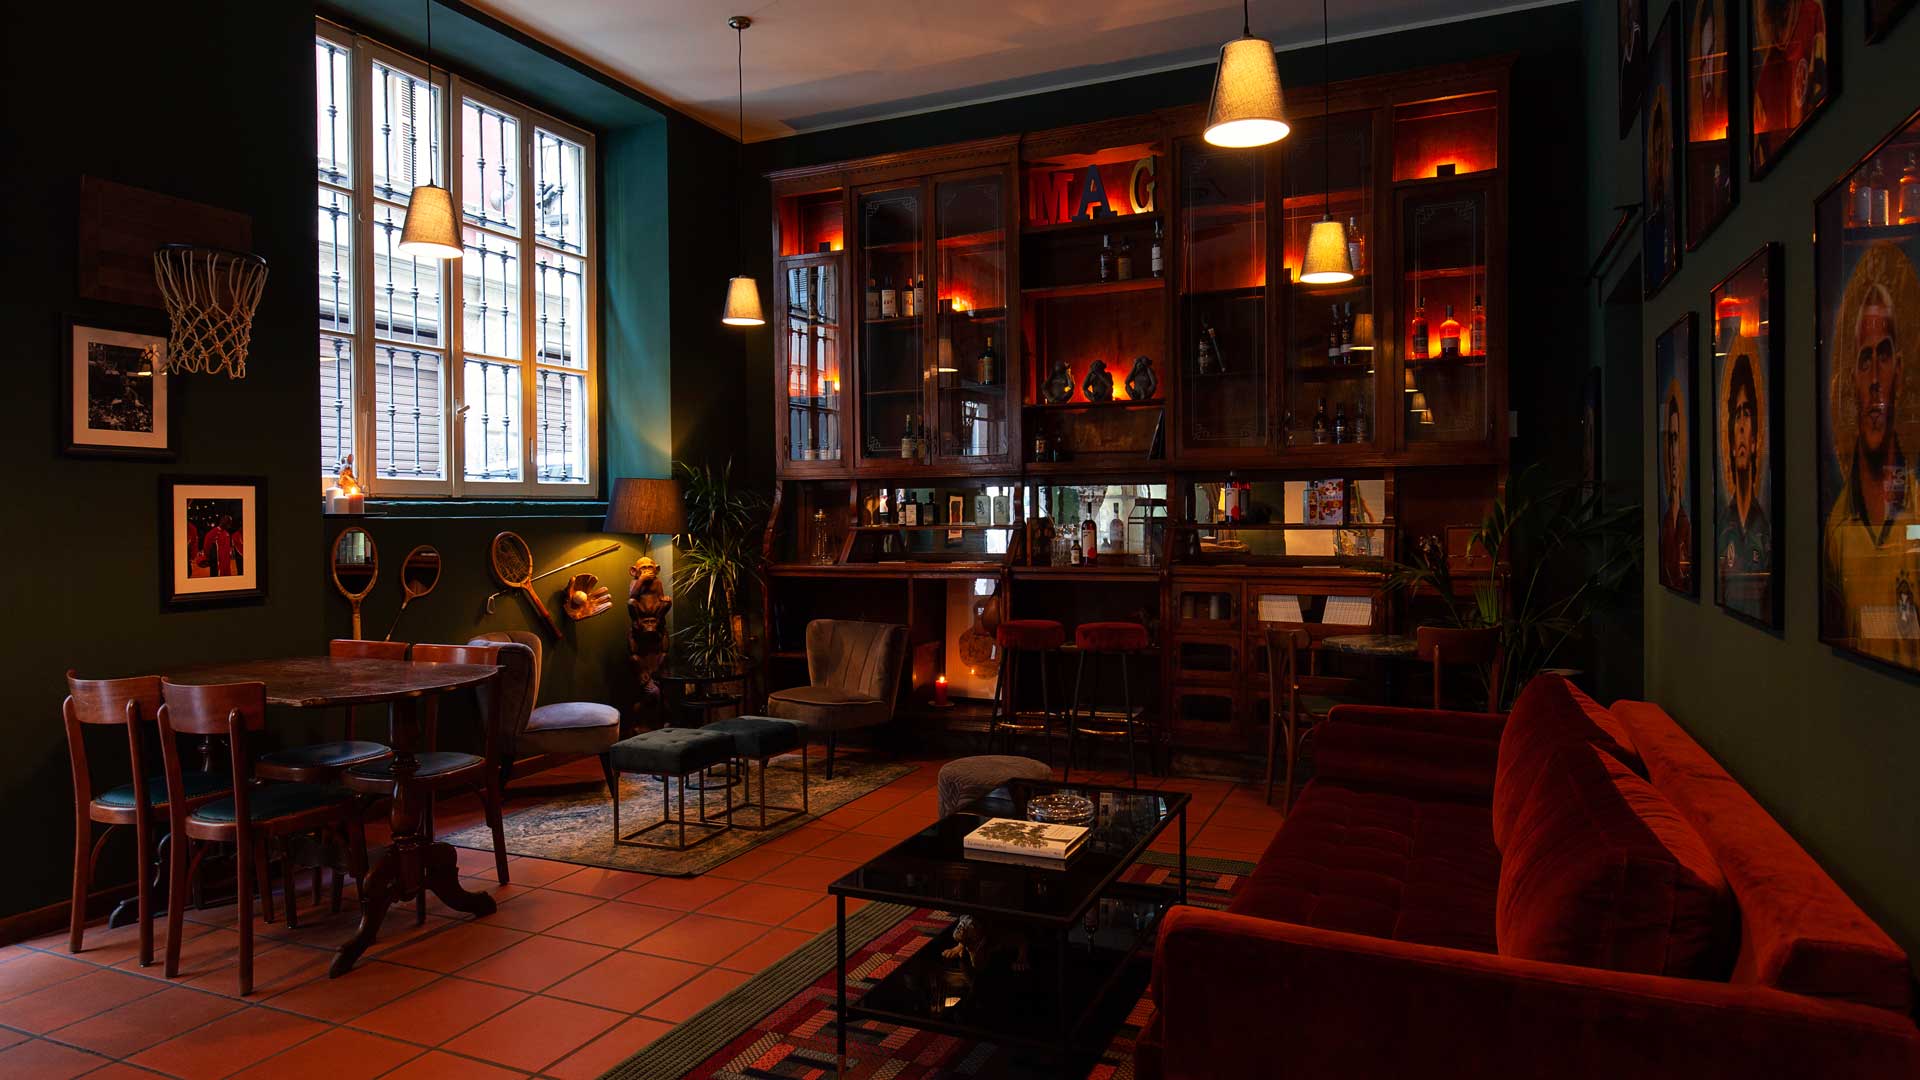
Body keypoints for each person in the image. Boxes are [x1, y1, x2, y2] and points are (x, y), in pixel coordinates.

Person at [1822, 247, 1920, 668]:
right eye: (1865, 360)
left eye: (1884, 355)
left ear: (1900, 369)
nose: (1876, 379)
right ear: (1853, 381)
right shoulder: (1836, 530)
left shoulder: (1919, 507)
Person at [1718, 351, 1771, 607]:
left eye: (1747, 414)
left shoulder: (1764, 526)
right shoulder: (1723, 525)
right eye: (1736, 415)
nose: (1740, 426)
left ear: (1754, 440)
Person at [1660, 385, 1692, 592]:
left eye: (1676, 439)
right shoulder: (1664, 523)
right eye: (1670, 439)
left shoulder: (1687, 524)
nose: (1673, 451)